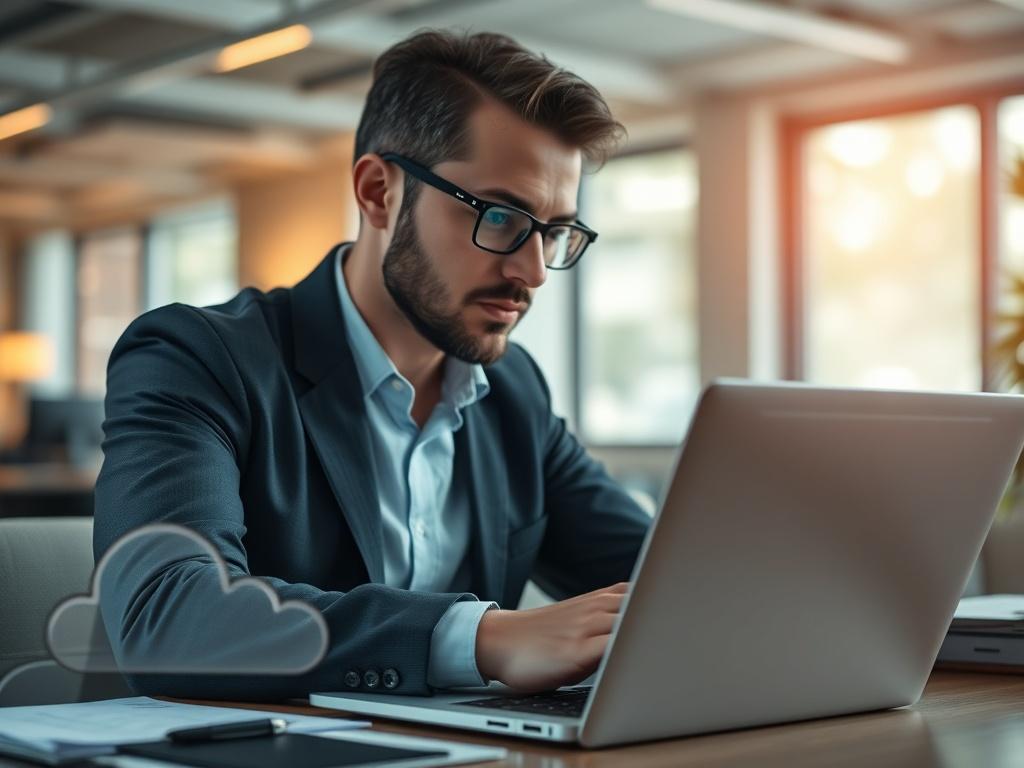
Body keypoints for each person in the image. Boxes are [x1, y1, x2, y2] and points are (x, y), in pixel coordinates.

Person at [94, 29, 651, 701]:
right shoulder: (199, 359)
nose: (533, 271)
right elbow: (168, 615)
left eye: (555, 232)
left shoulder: (513, 391)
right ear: (379, 192)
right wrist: (484, 639)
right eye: (502, 216)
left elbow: (661, 574)